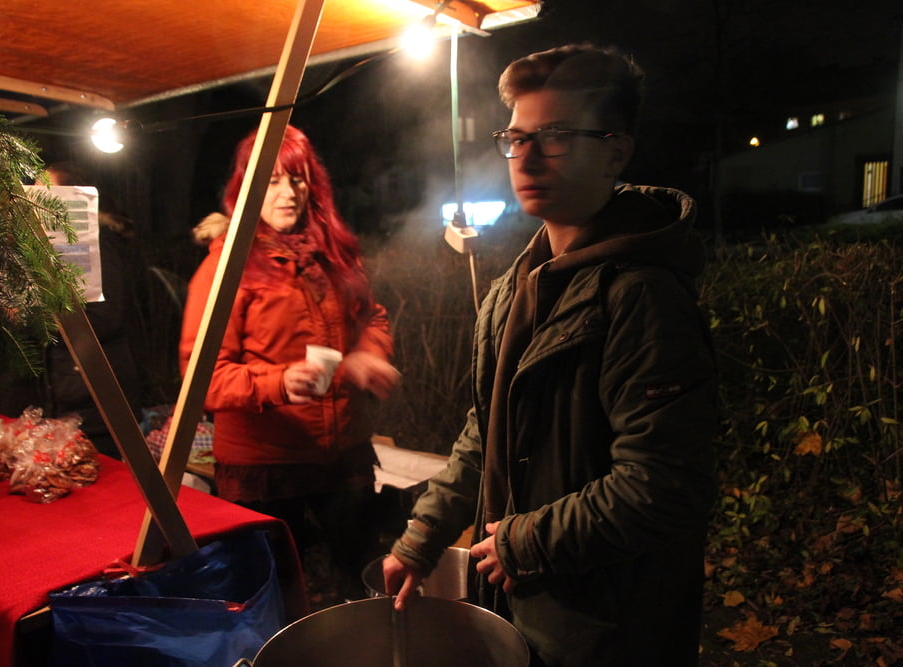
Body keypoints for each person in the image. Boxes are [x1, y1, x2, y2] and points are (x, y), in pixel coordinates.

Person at [383, 43, 719, 666]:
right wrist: (421, 537)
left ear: (616, 151)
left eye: (557, 136)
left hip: (612, 629)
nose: (528, 157)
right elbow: (487, 433)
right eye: (517, 137)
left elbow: (665, 484)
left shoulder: (642, 295)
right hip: (531, 610)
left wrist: (526, 542)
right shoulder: (515, 287)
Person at [180, 125, 400, 600]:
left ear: (312, 184)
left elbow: (372, 316)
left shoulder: (334, 257)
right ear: (248, 188)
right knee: (279, 597)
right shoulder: (226, 267)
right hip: (266, 469)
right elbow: (203, 379)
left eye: (296, 179)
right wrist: (278, 383)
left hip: (343, 454)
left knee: (361, 580)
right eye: (272, 181)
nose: (287, 193)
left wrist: (369, 353)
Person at [36, 161, 145, 458]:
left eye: (47, 193)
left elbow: (106, 317)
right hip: (70, 397)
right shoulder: (54, 249)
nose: (35, 202)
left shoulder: (96, 243)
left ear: (74, 198)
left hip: (97, 401)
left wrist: (39, 316)